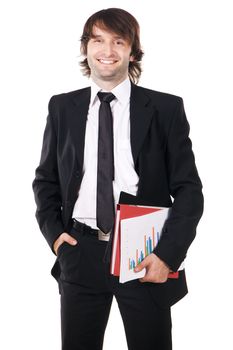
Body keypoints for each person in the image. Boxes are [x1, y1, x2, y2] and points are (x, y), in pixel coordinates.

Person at [32, 7, 204, 350]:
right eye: (97, 40)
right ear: (86, 48)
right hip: (79, 251)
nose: (107, 51)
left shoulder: (166, 109)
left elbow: (189, 191)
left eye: (118, 41)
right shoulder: (62, 108)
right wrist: (55, 237)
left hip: (144, 254)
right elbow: (45, 180)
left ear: (132, 51)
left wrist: (168, 255)